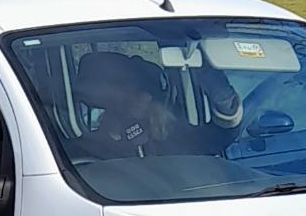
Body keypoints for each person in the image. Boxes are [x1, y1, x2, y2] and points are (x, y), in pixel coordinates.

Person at [71, 51, 243, 158]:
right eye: (126, 91)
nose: (141, 98)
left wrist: (223, 98)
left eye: (144, 91)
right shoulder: (86, 148)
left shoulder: (176, 138)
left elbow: (219, 137)